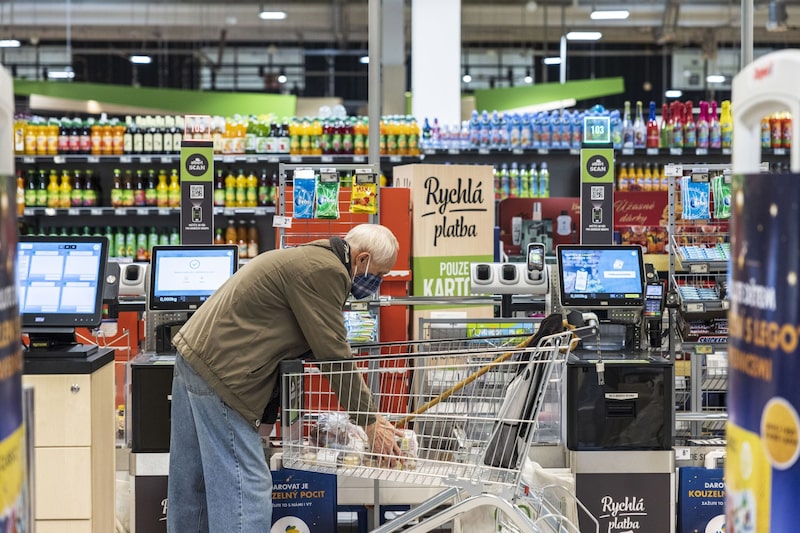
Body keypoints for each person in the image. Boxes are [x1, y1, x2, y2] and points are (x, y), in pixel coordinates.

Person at [166, 223, 403, 533]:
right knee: (246, 488)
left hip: (196, 357)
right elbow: (333, 354)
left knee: (192, 485)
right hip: (224, 373)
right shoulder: (327, 271)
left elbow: (285, 343)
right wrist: (369, 421)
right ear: (362, 259)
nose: (378, 282)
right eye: (380, 274)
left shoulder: (309, 258)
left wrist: (267, 415)